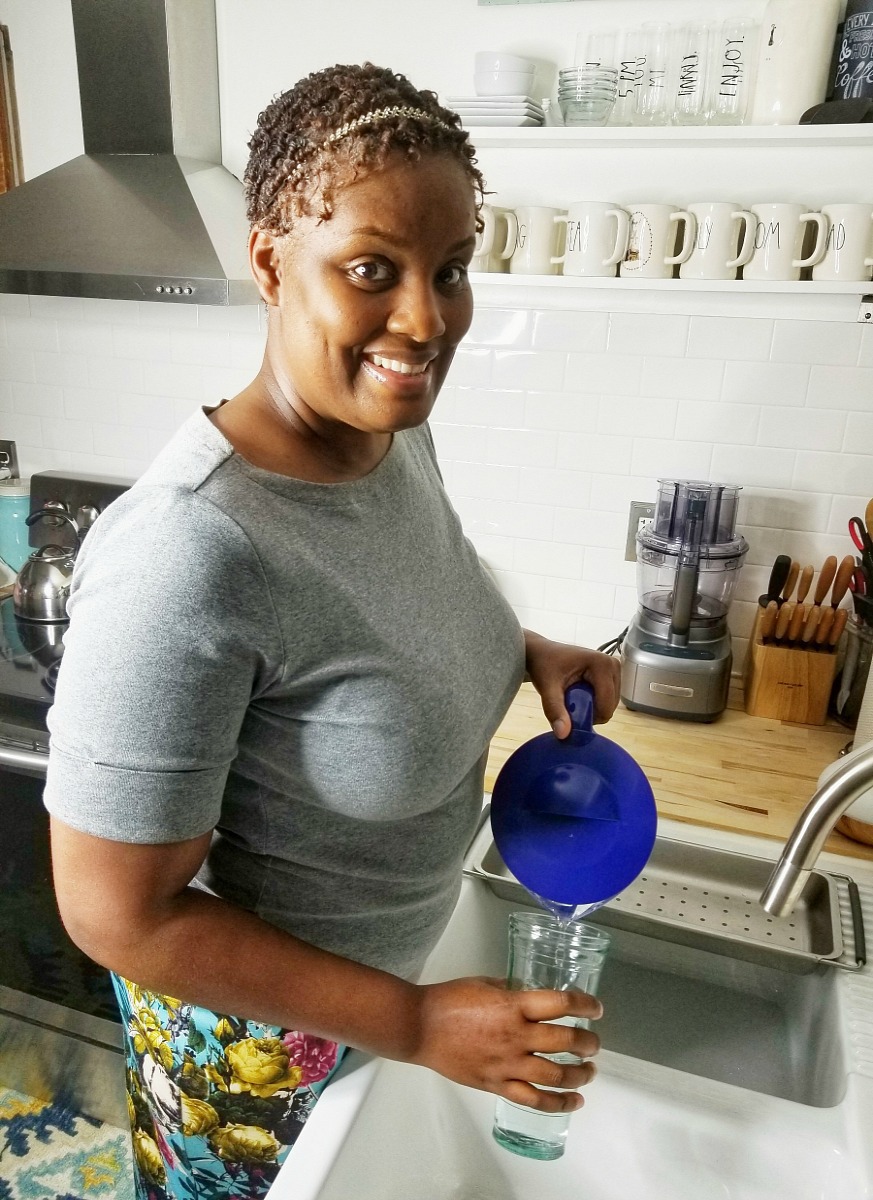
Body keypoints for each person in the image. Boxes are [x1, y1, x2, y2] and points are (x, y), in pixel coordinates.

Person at [45, 62, 621, 1198]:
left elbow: (392, 609)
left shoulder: (390, 438)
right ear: (269, 264)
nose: (425, 319)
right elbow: (114, 913)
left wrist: (520, 650)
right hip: (257, 1065)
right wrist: (414, 1021)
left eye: (449, 268)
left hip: (393, 1010)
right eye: (372, 269)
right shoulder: (188, 550)